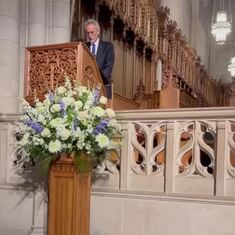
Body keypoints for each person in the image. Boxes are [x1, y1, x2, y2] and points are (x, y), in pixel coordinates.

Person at [84, 19, 115, 99]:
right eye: (88, 33)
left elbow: (109, 66)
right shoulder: (84, 47)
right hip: (86, 86)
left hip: (103, 86)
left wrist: (97, 81)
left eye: (92, 32)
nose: (90, 35)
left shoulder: (108, 47)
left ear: (98, 32)